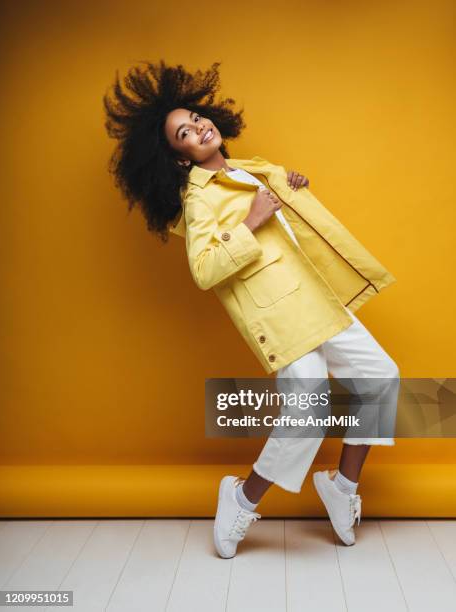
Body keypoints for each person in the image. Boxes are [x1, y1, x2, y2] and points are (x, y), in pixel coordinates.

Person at [103, 59, 400, 559]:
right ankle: (241, 500)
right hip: (283, 317)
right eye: (184, 134)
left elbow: (288, 228)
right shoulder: (199, 201)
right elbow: (204, 269)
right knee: (308, 414)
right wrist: (253, 221)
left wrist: (291, 189)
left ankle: (342, 488)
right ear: (179, 158)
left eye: (196, 118)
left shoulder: (251, 168)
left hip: (319, 299)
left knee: (382, 379)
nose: (198, 127)